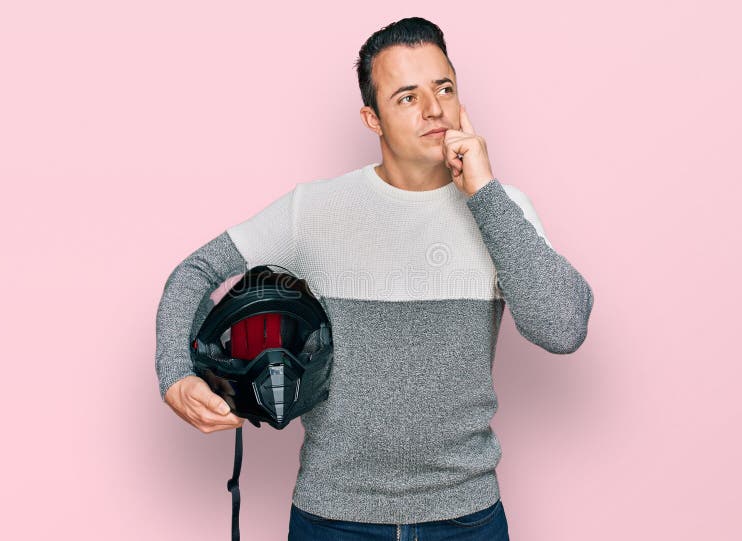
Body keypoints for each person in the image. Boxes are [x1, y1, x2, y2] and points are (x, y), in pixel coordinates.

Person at [155, 16, 594, 541]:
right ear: (373, 118)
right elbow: (194, 272)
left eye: (444, 88)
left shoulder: (500, 209)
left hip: (467, 518)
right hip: (332, 516)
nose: (433, 109)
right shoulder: (313, 211)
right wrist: (175, 374)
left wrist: (484, 192)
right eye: (407, 97)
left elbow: (563, 328)